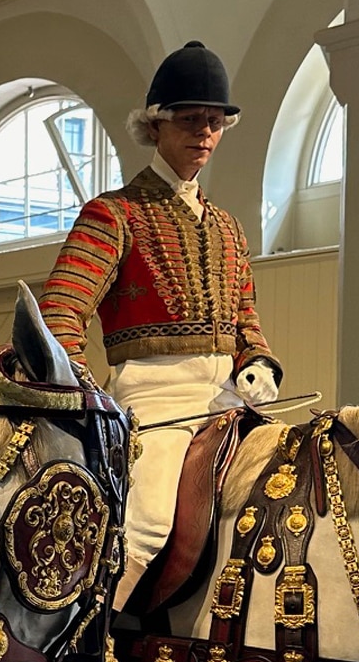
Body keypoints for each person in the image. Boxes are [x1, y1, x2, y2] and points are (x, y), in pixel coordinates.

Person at [39, 40, 278, 613]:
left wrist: (259, 363)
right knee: (144, 524)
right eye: (191, 120)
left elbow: (246, 317)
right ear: (157, 125)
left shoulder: (229, 227)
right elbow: (61, 310)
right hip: (155, 400)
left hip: (229, 398)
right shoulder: (112, 213)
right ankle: (88, 646)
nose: (204, 133)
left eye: (215, 123)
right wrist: (79, 389)